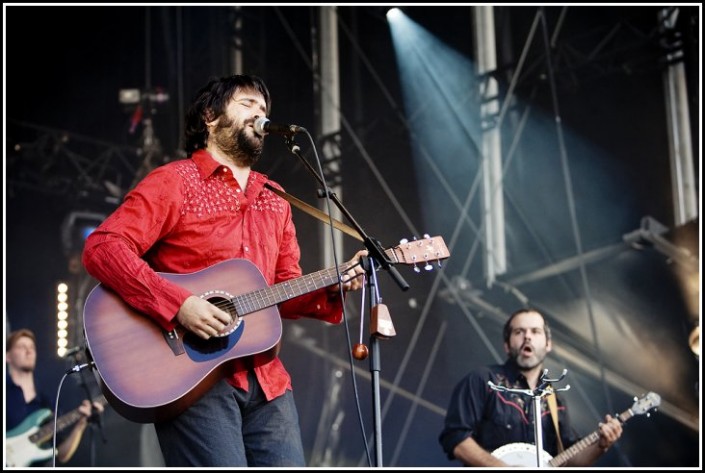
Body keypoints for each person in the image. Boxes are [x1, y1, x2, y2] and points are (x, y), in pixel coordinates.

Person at [81, 73, 367, 467]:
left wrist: (337, 284)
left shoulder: (276, 200)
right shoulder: (174, 181)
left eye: (264, 109)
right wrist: (179, 305)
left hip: (267, 381)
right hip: (191, 377)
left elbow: (284, 287)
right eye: (247, 104)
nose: (260, 113)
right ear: (211, 117)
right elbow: (103, 247)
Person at [438, 308, 623, 467]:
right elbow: (456, 438)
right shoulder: (483, 380)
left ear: (548, 344)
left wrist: (601, 445)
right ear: (507, 346)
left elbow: (568, 461)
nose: (527, 336)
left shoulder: (554, 399)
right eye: (519, 332)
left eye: (535, 331)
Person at [6, 328, 105, 467]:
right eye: (22, 347)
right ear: (7, 356)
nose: (29, 351)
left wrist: (81, 424)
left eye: (31, 347)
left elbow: (62, 454)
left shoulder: (47, 405)